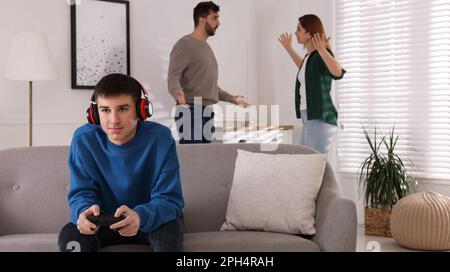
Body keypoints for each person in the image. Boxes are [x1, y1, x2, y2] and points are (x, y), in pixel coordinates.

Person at [58, 74, 184, 252]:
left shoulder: (161, 139)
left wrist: (140, 216)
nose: (114, 120)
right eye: (105, 110)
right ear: (94, 113)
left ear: (141, 110)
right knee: (71, 238)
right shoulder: (83, 140)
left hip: (152, 220)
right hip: (102, 222)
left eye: (123, 109)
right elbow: (82, 193)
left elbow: (170, 199)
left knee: (167, 240)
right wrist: (83, 211)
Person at [168, 1, 250, 144]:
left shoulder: (206, 48)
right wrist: (177, 93)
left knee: (204, 161)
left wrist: (233, 99)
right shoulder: (184, 45)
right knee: (196, 161)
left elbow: (209, 86)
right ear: (202, 20)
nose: (218, 23)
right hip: (191, 111)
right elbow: (173, 76)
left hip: (207, 111)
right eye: (215, 18)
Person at [278, 14, 346, 155]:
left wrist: (323, 49)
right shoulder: (310, 57)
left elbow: (338, 72)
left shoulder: (321, 54)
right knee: (309, 163)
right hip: (309, 117)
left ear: (309, 33)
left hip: (320, 117)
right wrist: (289, 48)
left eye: (299, 29)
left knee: (312, 164)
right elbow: (304, 68)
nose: (295, 33)